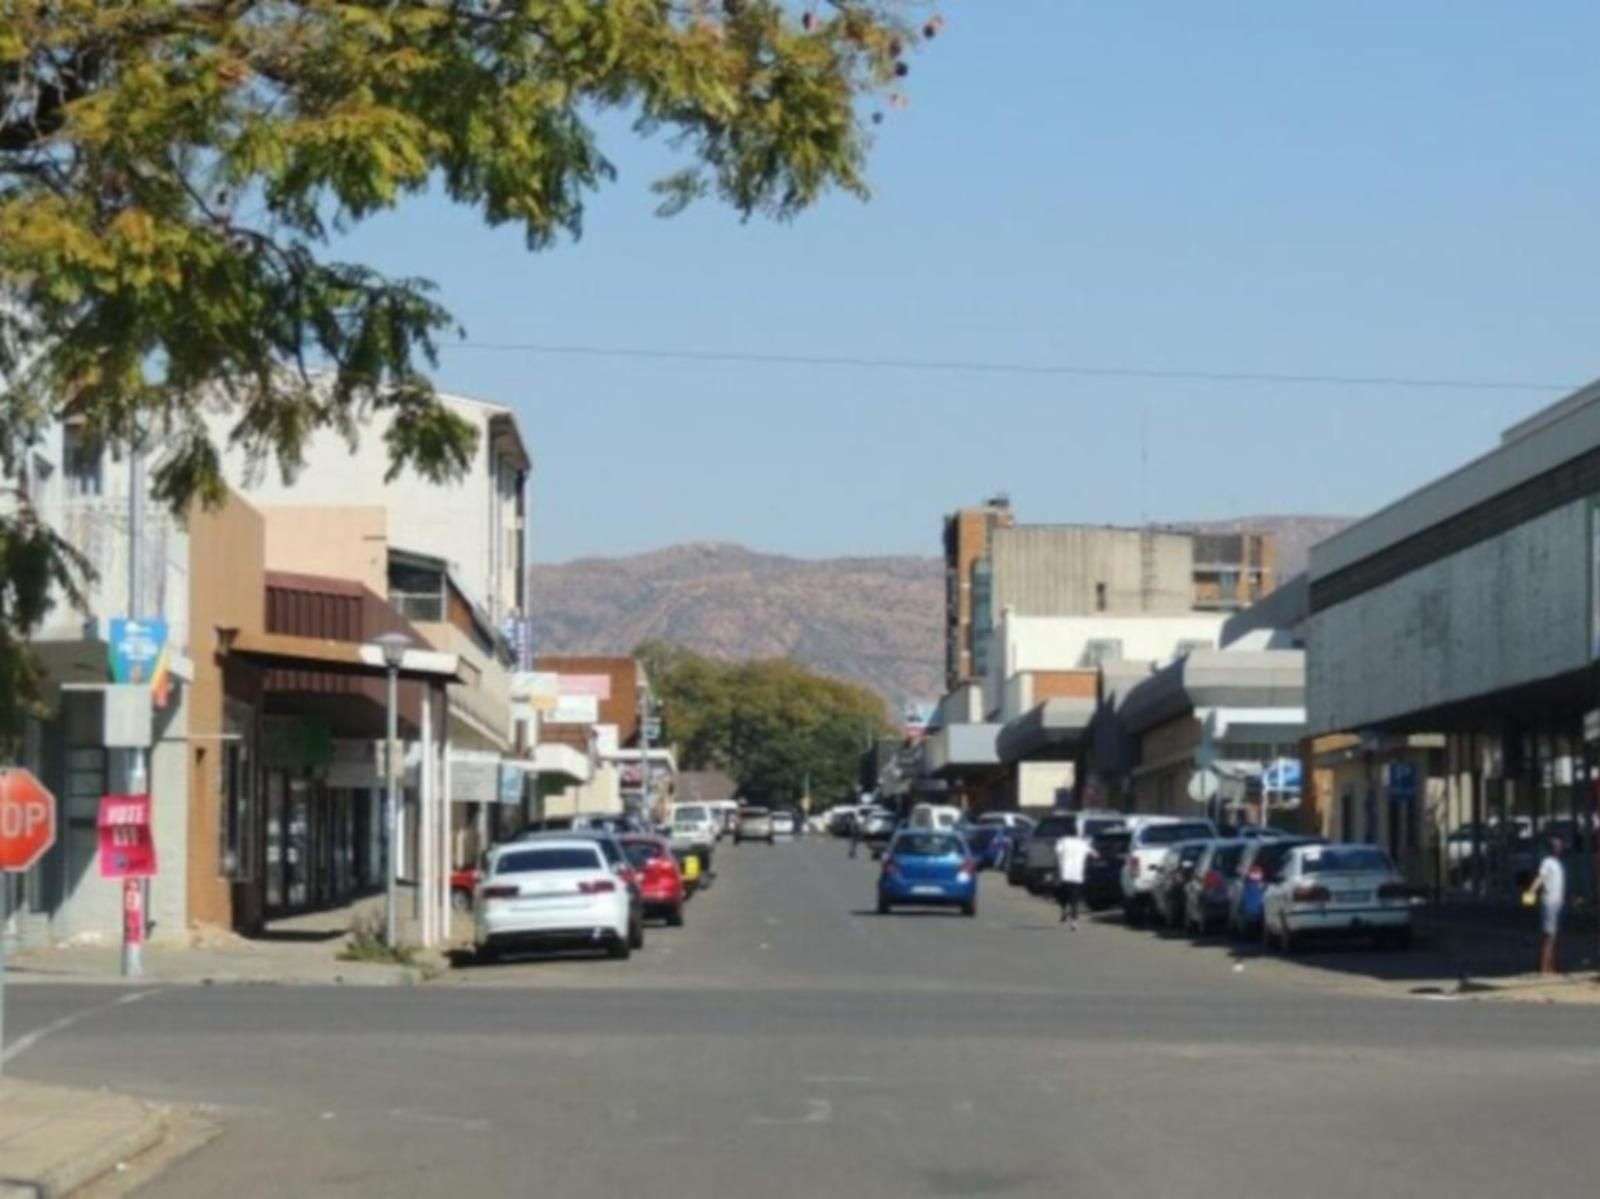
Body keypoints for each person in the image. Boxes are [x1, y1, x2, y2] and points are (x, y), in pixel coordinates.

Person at [1527, 835, 1566, 976]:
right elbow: (1540, 877)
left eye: (1560, 845)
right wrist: (1531, 891)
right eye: (1557, 846)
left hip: (1557, 903)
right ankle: (1544, 968)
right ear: (1552, 848)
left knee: (1553, 936)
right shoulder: (1547, 862)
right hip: (1549, 902)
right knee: (1548, 935)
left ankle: (1552, 967)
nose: (1560, 848)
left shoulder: (1558, 863)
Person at [1054, 830, 1096, 929]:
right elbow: (1094, 854)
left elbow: (1057, 852)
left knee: (1063, 895)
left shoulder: (1063, 841)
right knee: (1074, 899)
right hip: (1077, 875)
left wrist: (1060, 861)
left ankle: (1063, 910)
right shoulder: (1083, 844)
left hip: (1065, 874)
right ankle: (1074, 922)